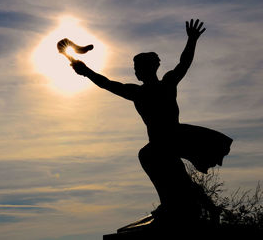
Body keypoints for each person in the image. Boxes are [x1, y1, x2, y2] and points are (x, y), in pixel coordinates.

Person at [67, 19, 232, 224]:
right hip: (163, 141)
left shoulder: (159, 86)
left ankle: (174, 205)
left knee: (151, 157)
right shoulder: (143, 90)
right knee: (177, 175)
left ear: (146, 68)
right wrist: (86, 71)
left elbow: (184, 63)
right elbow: (107, 84)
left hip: (171, 138)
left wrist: (192, 40)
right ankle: (204, 208)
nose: (135, 70)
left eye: (137, 67)